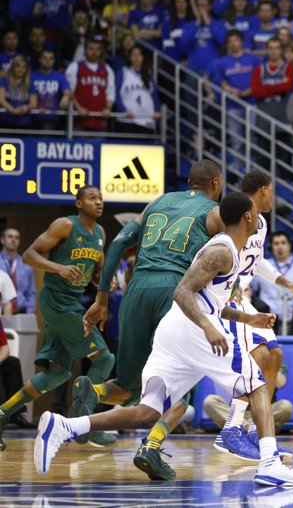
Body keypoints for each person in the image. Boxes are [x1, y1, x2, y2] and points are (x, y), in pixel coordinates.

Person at [34, 193, 293, 486]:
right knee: (256, 385)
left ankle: (64, 425)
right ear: (247, 217)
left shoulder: (233, 252)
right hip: (194, 329)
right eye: (255, 213)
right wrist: (207, 327)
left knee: (147, 412)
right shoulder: (222, 250)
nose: (259, 218)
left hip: (177, 332)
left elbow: (213, 301)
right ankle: (269, 463)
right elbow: (182, 291)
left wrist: (248, 319)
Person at [77, 161, 225, 480]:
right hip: (175, 291)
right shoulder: (214, 212)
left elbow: (117, 244)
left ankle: (95, 393)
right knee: (181, 388)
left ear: (188, 181)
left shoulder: (156, 202)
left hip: (137, 288)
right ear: (215, 183)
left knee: (127, 384)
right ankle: (151, 447)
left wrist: (102, 297)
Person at [204, 171, 293, 460]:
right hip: (229, 299)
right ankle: (230, 430)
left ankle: (258, 431)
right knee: (256, 359)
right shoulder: (231, 218)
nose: (274, 196)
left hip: (244, 299)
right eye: (272, 190)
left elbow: (257, 262)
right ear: (263, 190)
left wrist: (289, 284)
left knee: (275, 356)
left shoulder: (262, 223)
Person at [0, 186, 112, 451]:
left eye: (100, 199)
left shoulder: (100, 233)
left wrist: (104, 280)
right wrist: (59, 268)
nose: (98, 202)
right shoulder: (64, 225)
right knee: (105, 359)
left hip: (73, 302)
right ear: (78, 203)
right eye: (92, 198)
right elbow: (30, 255)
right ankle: (84, 425)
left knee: (57, 373)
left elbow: (96, 273)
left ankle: (3, 414)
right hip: (56, 301)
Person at [250, 232, 293, 322]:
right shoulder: (261, 267)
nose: (280, 246)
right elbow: (252, 291)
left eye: (283, 243)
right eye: (276, 243)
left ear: (289, 245)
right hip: (267, 318)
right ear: (271, 247)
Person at [0, 228, 35, 315]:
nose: (13, 240)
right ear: (2, 240)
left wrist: (29, 313)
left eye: (17, 237)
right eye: (10, 237)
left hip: (21, 311)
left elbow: (31, 292)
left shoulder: (26, 265)